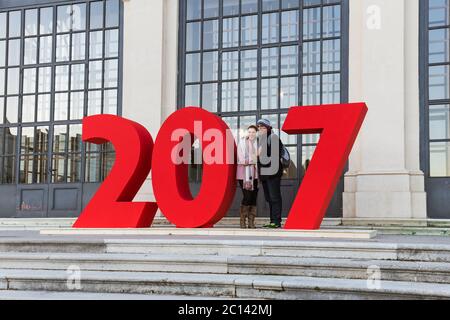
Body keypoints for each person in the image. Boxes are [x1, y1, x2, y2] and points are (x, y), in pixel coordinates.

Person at [257, 119, 283, 229]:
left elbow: (275, 154)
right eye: (259, 127)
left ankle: (276, 221)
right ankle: (272, 220)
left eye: (263, 127)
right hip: (265, 174)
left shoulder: (273, 138)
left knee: (274, 197)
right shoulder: (261, 140)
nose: (260, 129)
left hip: (273, 173)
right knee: (269, 198)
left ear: (268, 128)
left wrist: (261, 153)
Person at [236, 125, 259, 229]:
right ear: (247, 133)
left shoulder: (258, 144)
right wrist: (253, 159)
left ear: (256, 133)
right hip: (243, 174)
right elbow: (241, 160)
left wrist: (254, 159)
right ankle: (242, 221)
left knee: (253, 198)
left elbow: (261, 158)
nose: (251, 134)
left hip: (255, 175)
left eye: (253, 132)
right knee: (247, 196)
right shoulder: (241, 143)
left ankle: (251, 222)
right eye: (249, 132)